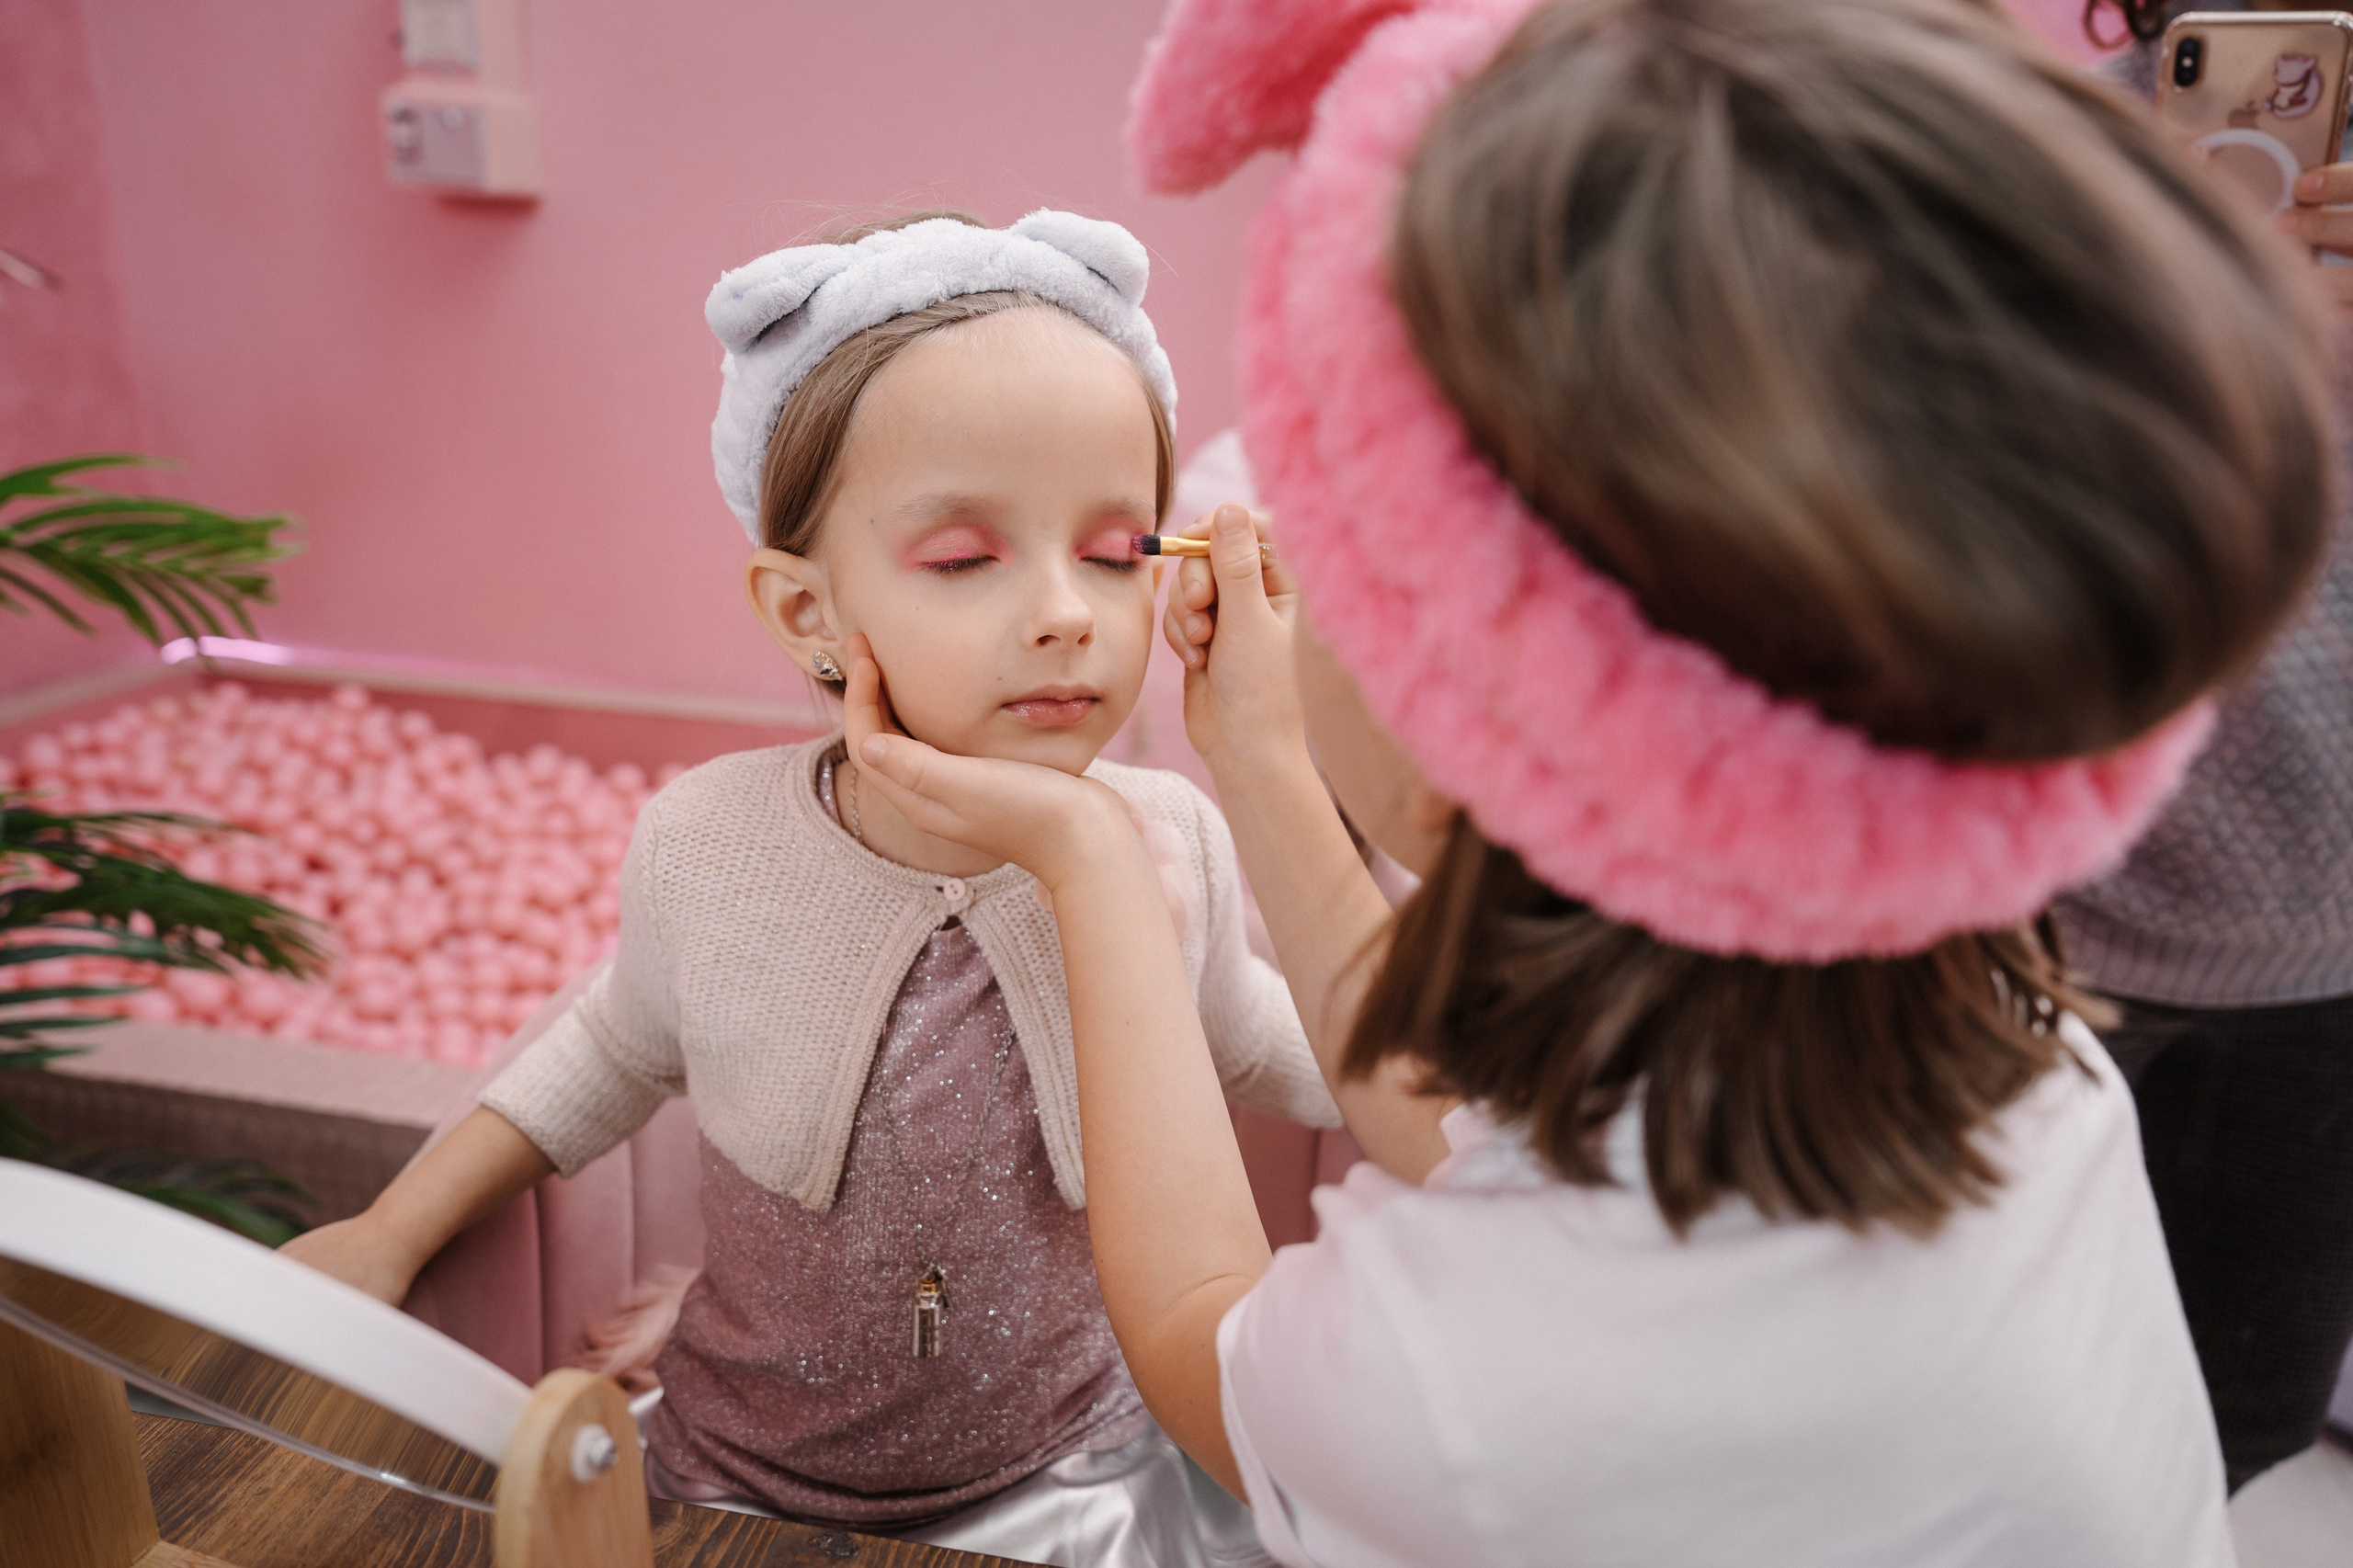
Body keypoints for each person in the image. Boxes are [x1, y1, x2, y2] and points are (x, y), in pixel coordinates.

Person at [838, 0, 2339, 1561]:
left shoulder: (1473, 1393)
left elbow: (1201, 1337)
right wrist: (1267, 764)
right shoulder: (2003, 1043)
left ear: (1482, 716)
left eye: (1336, 533)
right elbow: (1489, 1130)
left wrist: (1088, 862)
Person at [284, 209, 1337, 1564]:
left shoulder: (1166, 842)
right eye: (966, 558)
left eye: (1116, 550)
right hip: (739, 1477)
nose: (1069, 610)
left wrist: (1502, 1126)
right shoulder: (712, 846)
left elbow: (1257, 1033)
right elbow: (604, 1049)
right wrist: (385, 1234)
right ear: (806, 614)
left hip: (1076, 1475)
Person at [2060, 0, 2353, 1494]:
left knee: (2248, 1404)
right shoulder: (2044, 160)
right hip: (2053, 928)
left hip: (2333, 951)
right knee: (2019, 1384)